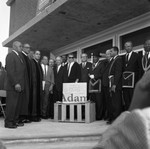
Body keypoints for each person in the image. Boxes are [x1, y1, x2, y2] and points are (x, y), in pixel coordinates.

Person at [5, 41, 25, 128]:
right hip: (13, 86)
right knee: (11, 105)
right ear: (14, 47)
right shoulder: (10, 55)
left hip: (20, 86)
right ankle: (9, 122)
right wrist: (16, 83)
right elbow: (10, 71)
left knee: (17, 106)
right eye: (20, 46)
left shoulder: (19, 56)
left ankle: (15, 121)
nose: (22, 47)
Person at [122, 41, 142, 110]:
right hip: (125, 83)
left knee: (132, 99)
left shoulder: (137, 55)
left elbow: (140, 69)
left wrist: (138, 81)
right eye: (125, 46)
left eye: (128, 46)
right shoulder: (122, 57)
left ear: (132, 47)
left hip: (133, 82)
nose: (127, 48)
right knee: (126, 99)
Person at [107, 46, 123, 124]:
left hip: (116, 84)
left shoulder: (118, 59)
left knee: (116, 102)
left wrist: (114, 84)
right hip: (111, 82)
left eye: (111, 51)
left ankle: (117, 119)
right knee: (112, 101)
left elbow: (118, 72)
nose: (110, 53)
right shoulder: (113, 60)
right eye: (110, 51)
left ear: (116, 52)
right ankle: (113, 117)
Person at [89, 52, 106, 120]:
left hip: (99, 85)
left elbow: (102, 74)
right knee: (93, 101)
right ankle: (94, 115)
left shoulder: (101, 64)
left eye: (96, 57)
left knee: (99, 102)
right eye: (93, 58)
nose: (94, 59)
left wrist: (95, 76)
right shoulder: (91, 65)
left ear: (98, 58)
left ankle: (99, 116)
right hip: (92, 86)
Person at [19, 43, 32, 123]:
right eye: (27, 48)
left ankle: (24, 117)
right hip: (23, 82)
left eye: (29, 48)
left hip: (27, 82)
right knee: (22, 100)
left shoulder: (27, 57)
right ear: (23, 48)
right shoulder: (21, 56)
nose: (29, 49)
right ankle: (20, 118)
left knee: (26, 100)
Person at [31, 50, 43, 121]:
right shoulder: (32, 63)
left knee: (38, 100)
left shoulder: (38, 63)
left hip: (38, 85)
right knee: (34, 100)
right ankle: (33, 116)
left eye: (39, 54)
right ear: (34, 55)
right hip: (34, 86)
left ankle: (37, 115)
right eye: (37, 54)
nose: (38, 55)